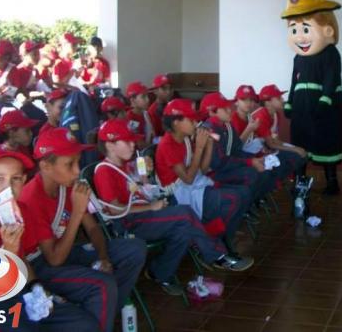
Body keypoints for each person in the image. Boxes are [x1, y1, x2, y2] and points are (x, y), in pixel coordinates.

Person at [0, 145, 98, 332]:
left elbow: (23, 259)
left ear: (24, 181)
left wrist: (36, 289)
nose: (8, 187)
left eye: (16, 179)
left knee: (84, 324)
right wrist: (6, 253)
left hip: (16, 287)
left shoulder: (21, 212)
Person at [93, 119, 253, 294]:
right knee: (184, 214)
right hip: (129, 222)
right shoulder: (104, 170)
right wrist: (151, 207)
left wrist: (144, 176)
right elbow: (115, 210)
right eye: (127, 141)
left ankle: (160, 272)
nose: (133, 145)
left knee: (183, 229)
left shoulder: (125, 165)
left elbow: (139, 191)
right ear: (110, 145)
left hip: (144, 214)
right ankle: (217, 255)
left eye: (133, 141)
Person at [19, 127, 146, 332]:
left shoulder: (68, 185)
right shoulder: (32, 198)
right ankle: (99, 317)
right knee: (102, 285)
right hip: (40, 265)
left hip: (66, 251)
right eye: (70, 164)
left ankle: (106, 312)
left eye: (77, 162)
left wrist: (103, 257)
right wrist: (77, 213)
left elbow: (93, 228)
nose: (77, 170)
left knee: (135, 248)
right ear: (45, 166)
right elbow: (54, 259)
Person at [155, 99, 250, 242]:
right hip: (176, 195)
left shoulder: (185, 139)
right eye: (191, 120)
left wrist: (209, 145)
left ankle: (221, 233)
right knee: (232, 199)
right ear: (176, 122)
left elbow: (202, 170)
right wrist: (199, 148)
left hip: (191, 186)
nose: (195, 123)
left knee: (244, 193)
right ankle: (217, 239)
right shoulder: (167, 144)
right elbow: (188, 179)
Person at [281, 0, 342, 195]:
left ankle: (332, 182)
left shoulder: (330, 54)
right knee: (301, 143)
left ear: (327, 30)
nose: (300, 37)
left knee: (326, 141)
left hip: (323, 108)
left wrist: (325, 101)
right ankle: (300, 181)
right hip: (301, 107)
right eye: (295, 29)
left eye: (306, 29)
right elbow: (294, 81)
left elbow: (331, 79)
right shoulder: (298, 58)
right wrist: (289, 102)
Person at [125, 81, 154, 148]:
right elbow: (139, 143)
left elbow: (152, 135)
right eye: (143, 97)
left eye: (147, 96)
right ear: (133, 100)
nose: (148, 100)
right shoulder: (131, 118)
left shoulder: (146, 114)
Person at [147, 74, 173, 139]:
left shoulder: (172, 106)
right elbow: (154, 137)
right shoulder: (152, 111)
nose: (168, 92)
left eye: (170, 88)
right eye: (164, 89)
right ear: (155, 91)